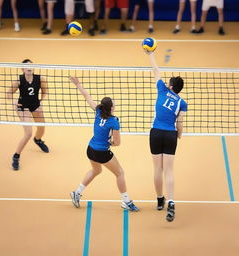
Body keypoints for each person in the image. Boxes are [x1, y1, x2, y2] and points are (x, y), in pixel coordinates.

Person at [69, 76, 139, 212]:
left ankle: (77, 193)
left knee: (96, 170)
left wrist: (78, 84)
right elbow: (117, 143)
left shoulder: (98, 111)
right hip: (102, 152)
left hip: (90, 149)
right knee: (120, 173)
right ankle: (125, 201)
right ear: (111, 107)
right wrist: (110, 142)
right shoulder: (114, 121)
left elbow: (87, 96)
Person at [145, 51, 187, 222]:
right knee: (169, 170)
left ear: (170, 86)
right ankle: (171, 202)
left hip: (155, 133)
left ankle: (160, 200)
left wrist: (150, 53)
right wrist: (179, 135)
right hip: (170, 134)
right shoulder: (182, 102)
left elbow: (156, 70)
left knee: (158, 169)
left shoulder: (162, 89)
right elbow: (180, 123)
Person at [6, 59, 49, 171]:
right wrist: (13, 102)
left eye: (31, 65)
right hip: (23, 106)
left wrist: (41, 103)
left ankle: (38, 140)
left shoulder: (40, 79)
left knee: (41, 127)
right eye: (26, 66)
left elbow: (45, 92)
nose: (29, 67)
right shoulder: (18, 81)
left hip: (35, 105)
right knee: (28, 133)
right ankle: (16, 156)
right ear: (23, 69)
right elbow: (9, 93)